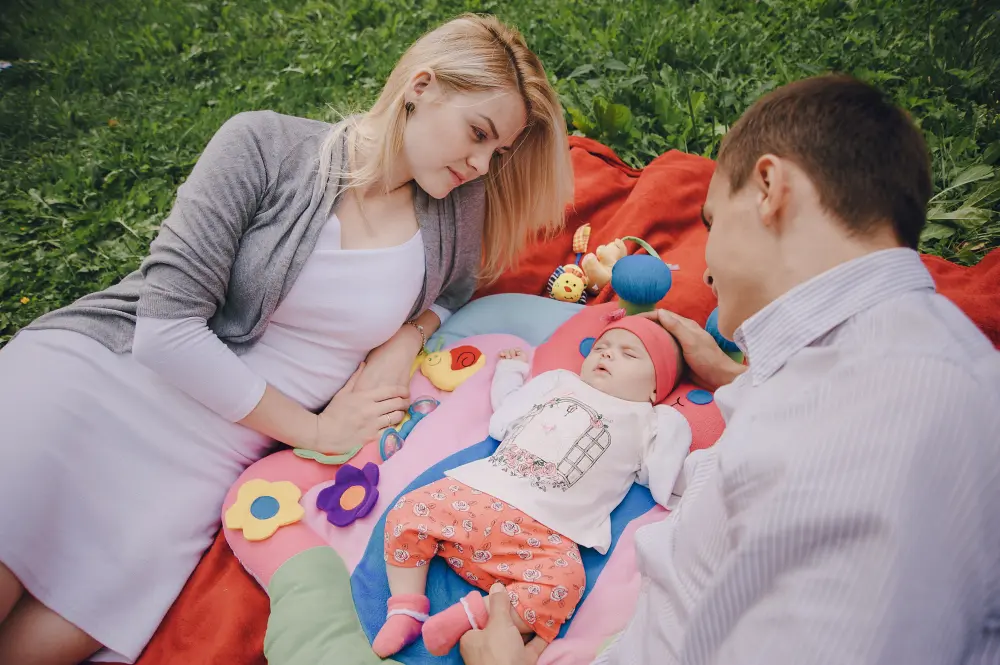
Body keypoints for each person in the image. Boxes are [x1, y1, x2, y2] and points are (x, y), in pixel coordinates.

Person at [0, 13, 574, 665]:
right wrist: (316, 430)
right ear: (421, 86)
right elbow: (163, 332)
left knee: (43, 641)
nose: (481, 164)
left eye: (497, 153)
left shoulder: (454, 206)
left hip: (207, 455)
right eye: (478, 134)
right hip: (104, 382)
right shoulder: (261, 146)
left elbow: (456, 289)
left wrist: (406, 337)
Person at [461, 74, 1000, 665]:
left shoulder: (879, 439)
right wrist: (732, 374)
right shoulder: (877, 360)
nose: (708, 268)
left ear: (769, 188)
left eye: (712, 223)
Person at [373, 314, 691, 659]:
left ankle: (470, 616)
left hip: (546, 537)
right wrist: (511, 373)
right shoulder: (559, 382)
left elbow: (667, 484)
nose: (608, 355)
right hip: (480, 497)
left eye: (629, 354)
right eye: (601, 348)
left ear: (656, 389)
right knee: (409, 511)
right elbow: (505, 417)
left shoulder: (650, 422)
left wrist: (677, 430)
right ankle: (406, 608)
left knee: (565, 585)